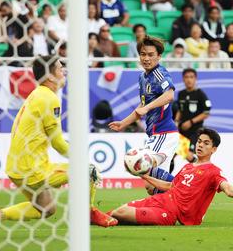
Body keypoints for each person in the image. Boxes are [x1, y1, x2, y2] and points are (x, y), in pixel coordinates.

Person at [0, 55, 101, 236]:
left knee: (46, 209)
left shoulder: (37, 94)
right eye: (60, 68)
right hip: (32, 168)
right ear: (50, 76)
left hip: (16, 167)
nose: (63, 71)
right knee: (89, 170)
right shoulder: (49, 98)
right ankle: (89, 214)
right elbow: (58, 143)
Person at [92, 128, 233, 227]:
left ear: (214, 149)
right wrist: (145, 176)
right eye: (199, 141)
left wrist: (228, 189)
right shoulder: (188, 167)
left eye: (206, 143)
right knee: (120, 209)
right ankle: (92, 219)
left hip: (170, 213)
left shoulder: (213, 171)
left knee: (122, 212)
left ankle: (108, 220)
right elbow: (170, 187)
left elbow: (227, 188)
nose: (200, 145)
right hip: (160, 200)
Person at [109, 36, 179, 194]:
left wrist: (147, 108)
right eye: (143, 54)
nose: (146, 58)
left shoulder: (160, 73)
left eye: (150, 54)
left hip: (164, 133)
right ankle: (169, 210)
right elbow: (142, 105)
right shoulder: (142, 77)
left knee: (144, 169)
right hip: (155, 134)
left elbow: (169, 95)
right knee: (153, 185)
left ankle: (189, 188)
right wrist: (124, 123)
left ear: (159, 56)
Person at [175, 68, 211, 162]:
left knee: (189, 154)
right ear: (183, 79)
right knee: (172, 153)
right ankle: (164, 176)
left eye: (191, 77)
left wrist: (191, 122)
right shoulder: (181, 94)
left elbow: (206, 113)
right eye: (186, 77)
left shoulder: (200, 94)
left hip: (195, 132)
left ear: (195, 79)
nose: (189, 79)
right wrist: (176, 122)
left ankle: (200, 172)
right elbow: (180, 109)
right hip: (182, 131)